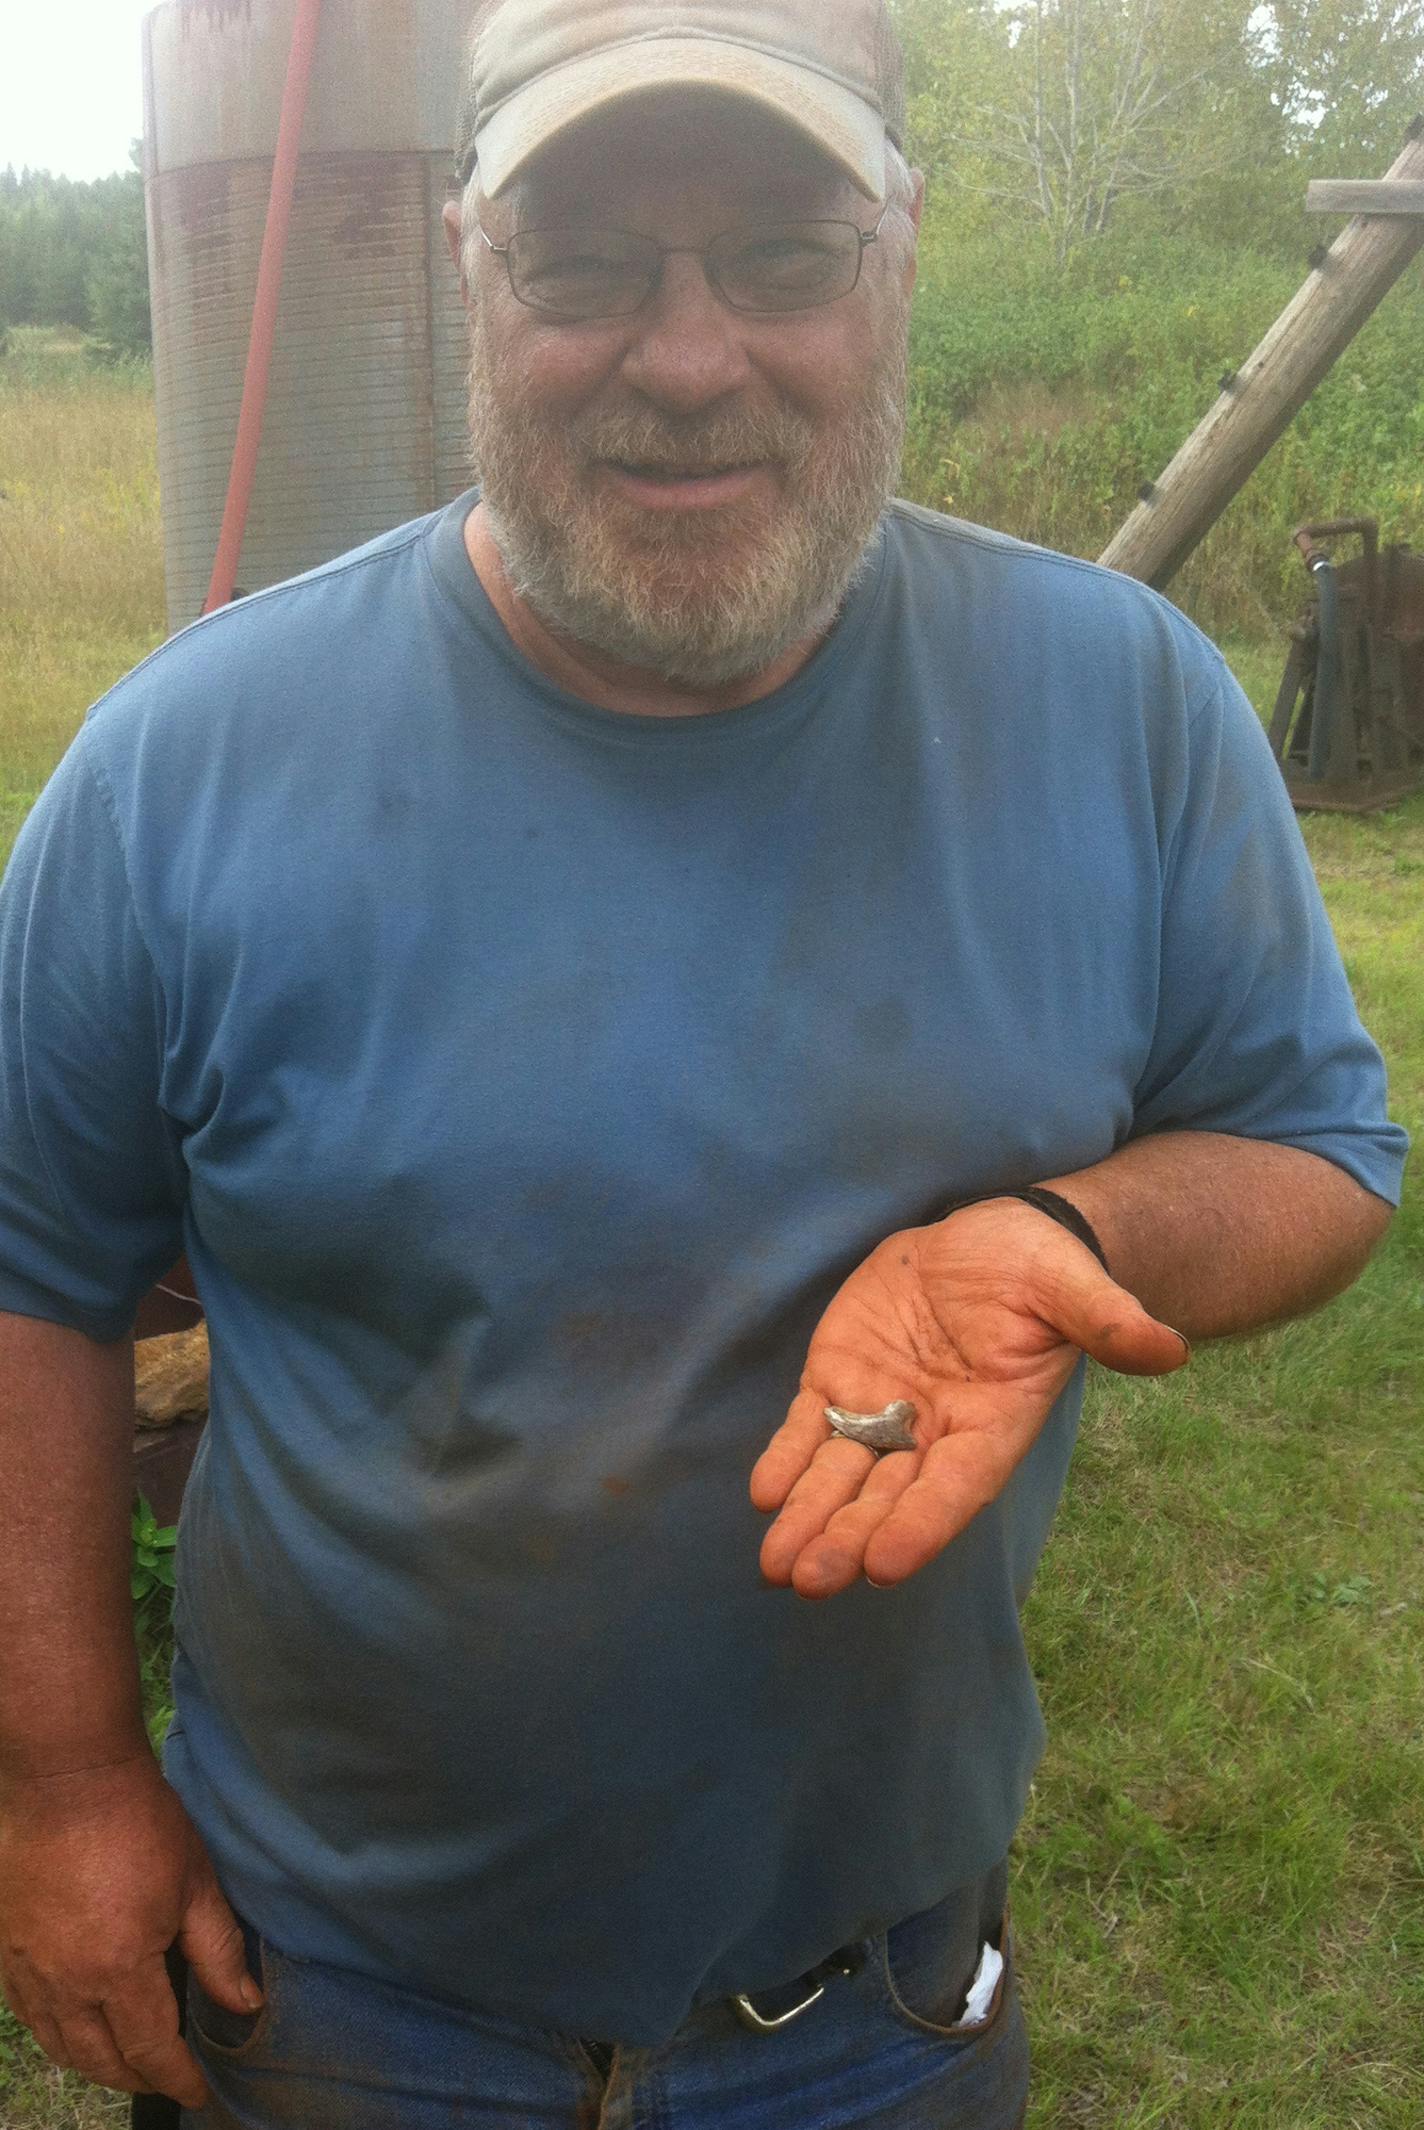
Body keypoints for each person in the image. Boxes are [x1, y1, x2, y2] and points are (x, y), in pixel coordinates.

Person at [0, 2, 1407, 2125]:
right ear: (474, 260)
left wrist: (1062, 1227)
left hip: (874, 2013)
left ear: (902, 253)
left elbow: (1317, 1145)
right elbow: (28, 1278)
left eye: (779, 254)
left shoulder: (1119, 704)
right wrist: (69, 1782)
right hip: (324, 2006)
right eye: (585, 261)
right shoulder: (179, 771)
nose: (684, 357)